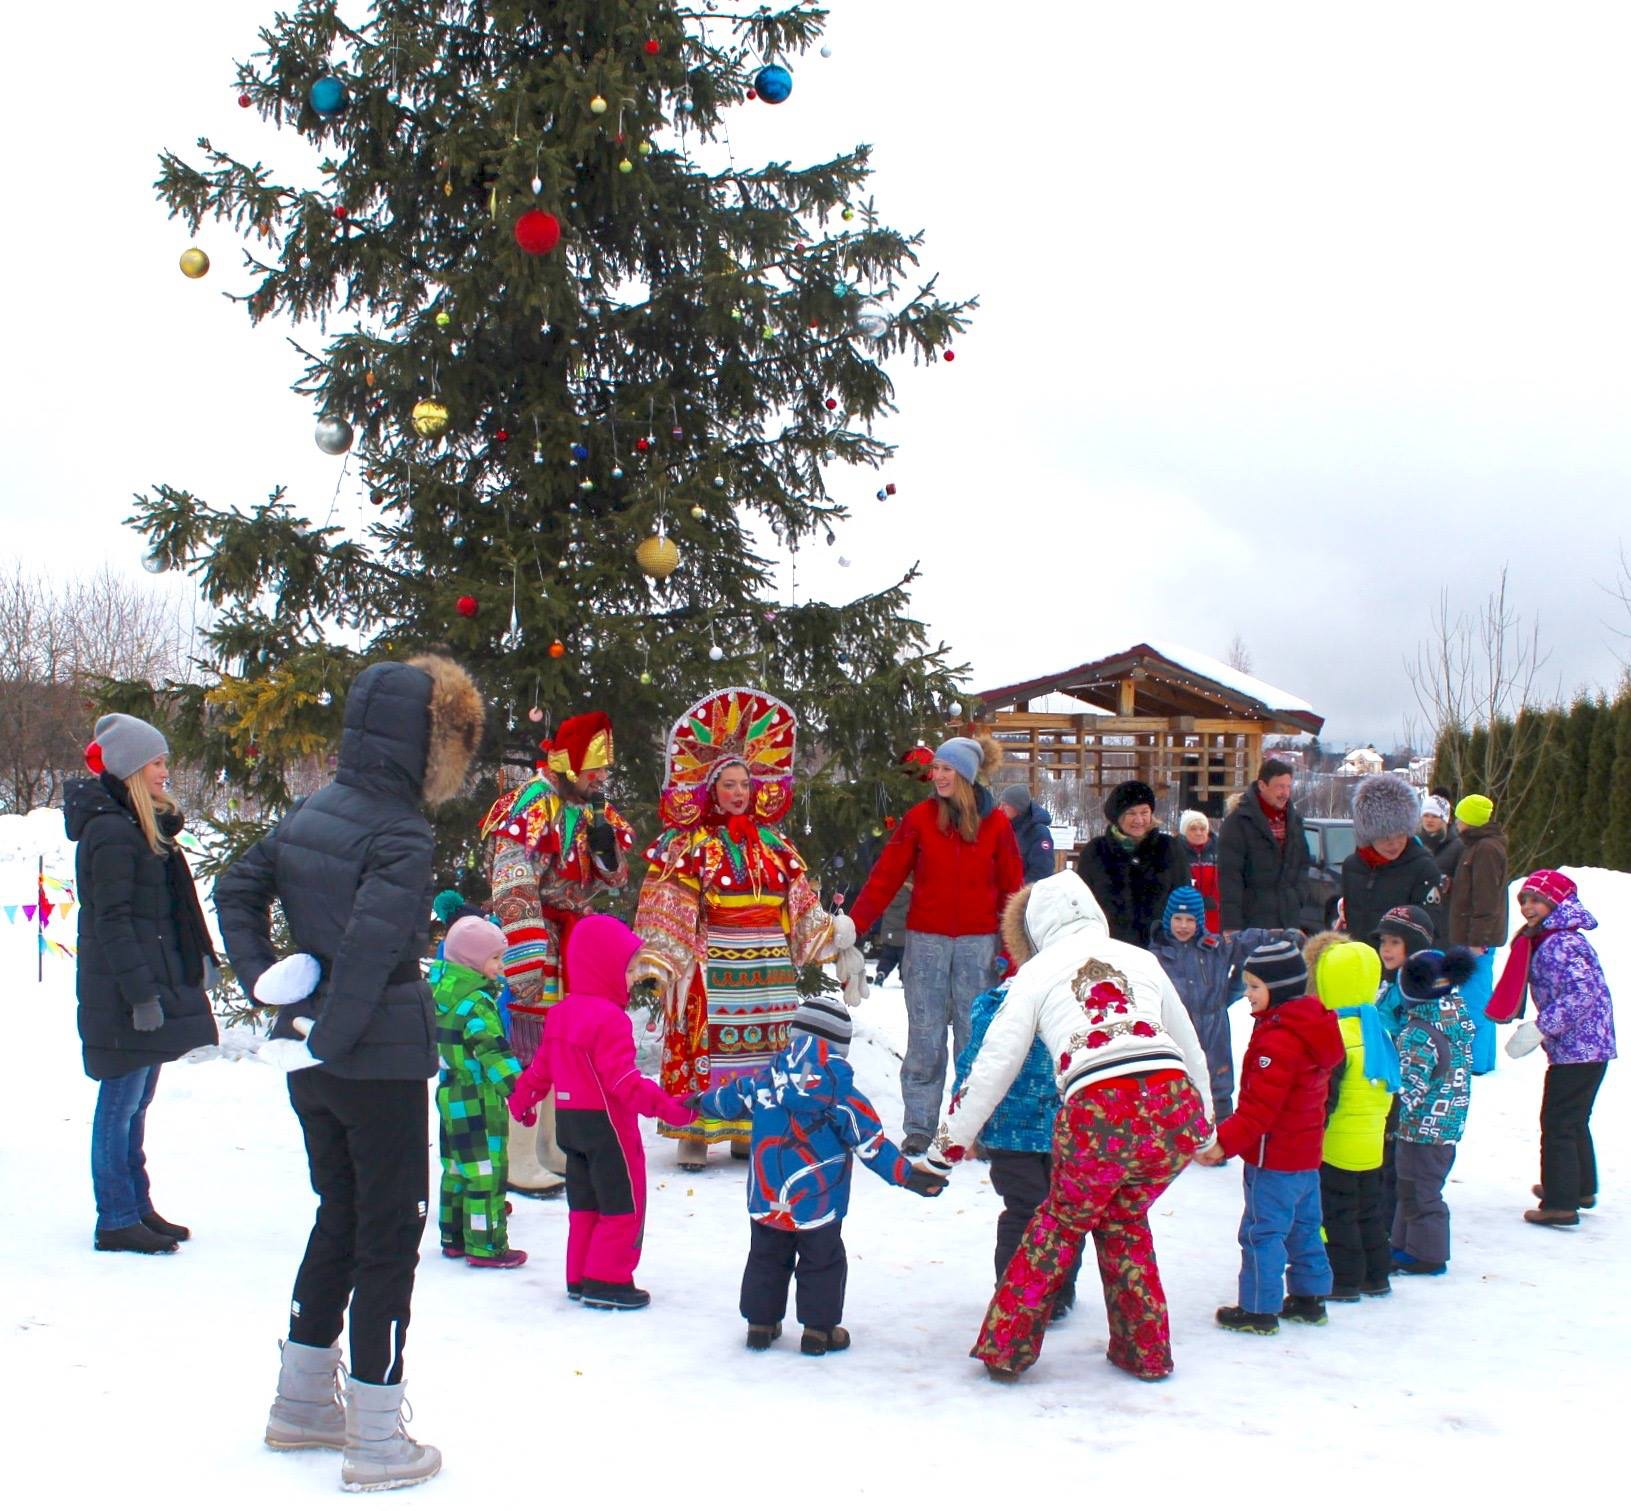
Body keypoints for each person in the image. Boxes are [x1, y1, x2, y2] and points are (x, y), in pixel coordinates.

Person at [216, 654, 482, 1494]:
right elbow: (370, 947)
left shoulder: (311, 811)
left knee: (340, 1211)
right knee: (389, 1232)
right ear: (425, 741)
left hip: (317, 1058)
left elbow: (234, 886)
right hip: (372, 1056)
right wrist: (322, 1026)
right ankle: (374, 1435)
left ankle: (302, 1402)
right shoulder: (400, 831)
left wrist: (274, 990)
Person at [923, 871, 1215, 1383]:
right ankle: (1145, 1351)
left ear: (1034, 928)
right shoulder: (1140, 959)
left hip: (1102, 1110)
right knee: (1124, 1220)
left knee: (1057, 1225)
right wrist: (1207, 1130)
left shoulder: (1036, 973)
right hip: (1174, 1109)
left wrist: (944, 1151)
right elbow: (1189, 1045)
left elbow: (992, 1066)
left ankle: (1006, 1349)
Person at [632, 688, 865, 1170]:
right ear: (710, 790)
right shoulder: (689, 845)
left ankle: (748, 1126)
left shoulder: (774, 846)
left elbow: (799, 903)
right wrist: (661, 957)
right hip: (715, 959)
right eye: (729, 785)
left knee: (764, 1049)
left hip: (769, 966)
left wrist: (835, 937)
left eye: (745, 784)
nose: (739, 793)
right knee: (710, 1044)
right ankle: (696, 1131)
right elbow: (669, 903)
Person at [699, 997, 945, 1354]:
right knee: (822, 1261)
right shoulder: (843, 1097)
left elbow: (731, 1099)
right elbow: (872, 1145)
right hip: (820, 1203)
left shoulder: (766, 1081)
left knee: (766, 1256)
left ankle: (760, 1324)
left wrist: (698, 1102)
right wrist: (907, 1175)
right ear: (840, 1047)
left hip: (768, 1198)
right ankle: (818, 1331)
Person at [67, 714, 220, 1256]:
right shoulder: (111, 832)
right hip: (123, 995)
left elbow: (164, 916)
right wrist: (140, 996)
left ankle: (136, 1205)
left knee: (136, 1104)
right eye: (156, 762)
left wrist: (195, 959)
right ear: (132, 767)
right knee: (120, 1105)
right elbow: (113, 924)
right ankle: (116, 1218)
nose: (164, 771)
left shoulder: (139, 826)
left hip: (146, 986)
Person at [481, 711, 635, 1197]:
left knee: (565, 1043)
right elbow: (512, 878)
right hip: (540, 935)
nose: (602, 777)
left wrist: (607, 850)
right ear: (569, 763)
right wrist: (525, 947)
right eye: (595, 767)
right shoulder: (531, 804)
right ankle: (519, 1154)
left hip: (573, 940)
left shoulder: (590, 808)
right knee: (530, 1044)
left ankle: (551, 1146)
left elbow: (615, 877)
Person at [847, 735, 1023, 1156]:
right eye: (936, 768)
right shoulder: (920, 819)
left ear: (966, 775)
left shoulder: (997, 825)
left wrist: (1012, 950)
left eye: (947, 769)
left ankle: (971, 1129)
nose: (938, 776)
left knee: (974, 1040)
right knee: (925, 1038)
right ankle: (920, 1127)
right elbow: (886, 875)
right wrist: (855, 925)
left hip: (979, 947)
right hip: (926, 943)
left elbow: (1012, 890)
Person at [509, 914, 693, 1308]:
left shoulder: (561, 1013)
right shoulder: (609, 1019)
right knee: (623, 1203)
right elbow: (624, 1082)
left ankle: (579, 1275)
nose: (631, 979)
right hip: (608, 1127)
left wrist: (523, 1101)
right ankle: (608, 1280)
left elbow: (541, 1069)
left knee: (585, 1204)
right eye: (627, 969)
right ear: (602, 967)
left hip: (571, 1125)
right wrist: (670, 1108)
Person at [1195, 938, 1346, 1336]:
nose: (1247, 994)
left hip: (1274, 1158)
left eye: (1254, 986)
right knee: (1304, 1227)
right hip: (1305, 1157)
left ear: (1278, 989)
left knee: (1262, 1232)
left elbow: (1259, 1110)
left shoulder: (1278, 1040)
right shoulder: (1310, 1024)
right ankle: (1310, 1298)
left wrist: (1222, 1143)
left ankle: (1259, 1309)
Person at [1487, 870, 1615, 1226]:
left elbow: (1582, 992)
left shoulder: (1563, 943)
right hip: (1583, 1047)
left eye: (1537, 900)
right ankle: (1579, 1187)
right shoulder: (1548, 938)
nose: (1528, 907)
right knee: (1572, 1119)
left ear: (1557, 903)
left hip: (1581, 1048)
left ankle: (1560, 1202)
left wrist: (1542, 1027)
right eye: (1524, 900)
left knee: (1558, 1122)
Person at [950, 980, 1081, 1318]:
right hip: (1011, 1132)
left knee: (1068, 1210)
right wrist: (960, 1129)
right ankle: (1013, 1290)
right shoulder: (998, 1007)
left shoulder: (1077, 1004)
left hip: (1067, 1130)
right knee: (1026, 1209)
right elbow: (972, 1066)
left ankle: (1059, 1290)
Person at [1149, 885, 1301, 1121]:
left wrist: (1280, 936)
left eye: (1190, 920)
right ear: (1168, 919)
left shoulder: (1215, 947)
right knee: (1176, 1089)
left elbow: (1246, 940)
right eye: (1177, 919)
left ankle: (1222, 1133)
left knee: (1219, 1089)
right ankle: (1180, 1131)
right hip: (1177, 1033)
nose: (1183, 926)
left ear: (1199, 921)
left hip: (1215, 1033)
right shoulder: (1157, 955)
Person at [430, 916, 524, 1269]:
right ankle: (486, 1245)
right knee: (486, 1171)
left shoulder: (440, 992)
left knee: (456, 1167)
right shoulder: (476, 1003)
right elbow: (493, 1052)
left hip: (449, 1091)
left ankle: (453, 1236)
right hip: (479, 1097)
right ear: (472, 960)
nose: (500, 966)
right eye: (495, 958)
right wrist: (518, 1091)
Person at [1310, 933, 1397, 1301]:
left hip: (1337, 1143)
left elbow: (1325, 1095)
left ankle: (1344, 1279)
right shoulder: (1378, 1031)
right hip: (1372, 1142)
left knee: (1338, 1212)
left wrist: (1314, 1130)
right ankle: (1376, 1275)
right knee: (1369, 1210)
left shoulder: (1334, 1034)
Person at [1389, 946, 1476, 1276]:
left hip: (1421, 1128)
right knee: (1411, 1188)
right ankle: (1404, 1244)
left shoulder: (1418, 1034)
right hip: (1445, 1126)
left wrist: (1389, 1117)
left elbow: (1409, 1085)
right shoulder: (1454, 1021)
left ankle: (1429, 1254)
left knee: (1421, 1192)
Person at [1074, 779, 1190, 947]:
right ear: (1118, 817)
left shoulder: (1169, 848)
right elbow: (1082, 904)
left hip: (1160, 948)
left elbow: (1184, 897)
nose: (1139, 819)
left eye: (1144, 812)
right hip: (1109, 947)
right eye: (1131, 813)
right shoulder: (1095, 851)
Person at [1340, 772, 1445, 946]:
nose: (1394, 844)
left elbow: (1431, 928)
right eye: (1385, 837)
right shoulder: (1352, 867)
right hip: (1360, 959)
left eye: (1400, 834)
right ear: (1368, 835)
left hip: (1403, 961)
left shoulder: (1423, 868)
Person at [1447, 794, 1508, 1075]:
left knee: (1474, 1001)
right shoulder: (1479, 846)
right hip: (1473, 937)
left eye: (1460, 817)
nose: (1456, 822)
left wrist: (1477, 940)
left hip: (1476, 941)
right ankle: (1483, 1058)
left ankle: (1476, 1061)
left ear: (1469, 820)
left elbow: (1486, 899)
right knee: (1477, 997)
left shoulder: (1485, 849)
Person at [1217, 759, 1307, 932]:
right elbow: (1230, 878)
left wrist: (1298, 896)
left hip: (1288, 920)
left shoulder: (1294, 821)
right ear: (1262, 785)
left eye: (1288, 787)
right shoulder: (1238, 822)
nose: (1285, 793)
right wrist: (1231, 926)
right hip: (1252, 923)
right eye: (1279, 787)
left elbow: (1303, 863)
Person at [998, 783, 1058, 884]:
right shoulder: (1005, 829)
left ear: (1018, 808)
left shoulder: (1039, 833)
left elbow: (1041, 872)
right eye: (1000, 804)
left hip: (1026, 892)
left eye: (1005, 804)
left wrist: (1015, 889)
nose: (1000, 808)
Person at [1178, 809, 1221, 935]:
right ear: (1184, 831)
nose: (1199, 833)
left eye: (1203, 829)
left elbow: (1227, 881)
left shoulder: (1220, 850)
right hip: (1187, 913)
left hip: (1216, 913)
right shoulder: (1176, 852)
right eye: (1193, 829)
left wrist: (1216, 900)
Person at [1418, 795, 1463, 895]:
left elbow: (1464, 882)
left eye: (1435, 816)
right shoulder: (1414, 843)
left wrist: (1447, 883)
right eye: (1426, 815)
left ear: (1445, 819)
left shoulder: (1458, 846)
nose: (1429, 820)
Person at [870, 883, 910, 987]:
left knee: (887, 958)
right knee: (904, 961)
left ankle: (881, 972)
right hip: (904, 938)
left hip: (888, 935)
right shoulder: (910, 897)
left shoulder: (889, 896)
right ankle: (905, 979)